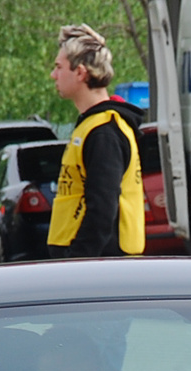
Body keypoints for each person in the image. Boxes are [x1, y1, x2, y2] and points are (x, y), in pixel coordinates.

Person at [47, 25, 147, 259]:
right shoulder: (93, 126)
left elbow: (102, 210)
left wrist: (78, 260)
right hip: (98, 264)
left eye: (58, 67)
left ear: (80, 72)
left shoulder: (104, 131)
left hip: (101, 267)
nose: (54, 75)